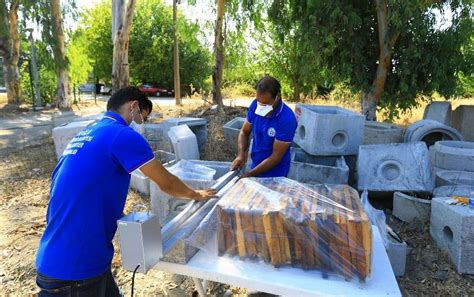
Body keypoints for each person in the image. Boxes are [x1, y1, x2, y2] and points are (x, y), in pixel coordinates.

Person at [35, 86, 216, 296]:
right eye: (142, 118)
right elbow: (165, 182)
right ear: (134, 106)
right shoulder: (121, 134)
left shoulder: (88, 134)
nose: (139, 124)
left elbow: (81, 189)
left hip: (66, 257)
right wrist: (197, 194)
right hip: (75, 270)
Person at [231, 76, 297, 178]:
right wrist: (241, 155)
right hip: (255, 165)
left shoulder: (287, 119)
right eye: (259, 101)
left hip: (275, 174)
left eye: (265, 103)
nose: (261, 106)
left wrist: (249, 174)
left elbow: (275, 157)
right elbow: (244, 132)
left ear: (277, 97)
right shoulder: (255, 105)